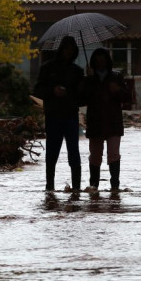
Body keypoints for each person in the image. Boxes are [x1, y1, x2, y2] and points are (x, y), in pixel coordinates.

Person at [34, 36, 86, 192]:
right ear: (61, 49)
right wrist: (52, 91)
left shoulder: (78, 71)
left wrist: (85, 81)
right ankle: (49, 187)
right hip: (53, 115)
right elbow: (37, 90)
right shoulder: (47, 68)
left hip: (70, 115)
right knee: (52, 152)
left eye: (71, 49)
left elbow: (82, 97)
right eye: (66, 49)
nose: (68, 52)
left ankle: (76, 188)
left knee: (73, 152)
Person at [81, 48, 128, 191]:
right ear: (94, 62)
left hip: (113, 121)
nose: (101, 63)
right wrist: (88, 80)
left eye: (103, 60)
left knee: (113, 154)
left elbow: (127, 97)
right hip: (95, 121)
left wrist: (118, 90)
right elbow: (82, 98)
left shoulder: (116, 77)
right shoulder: (89, 79)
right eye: (98, 60)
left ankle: (115, 186)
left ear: (108, 61)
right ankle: (94, 185)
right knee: (95, 155)